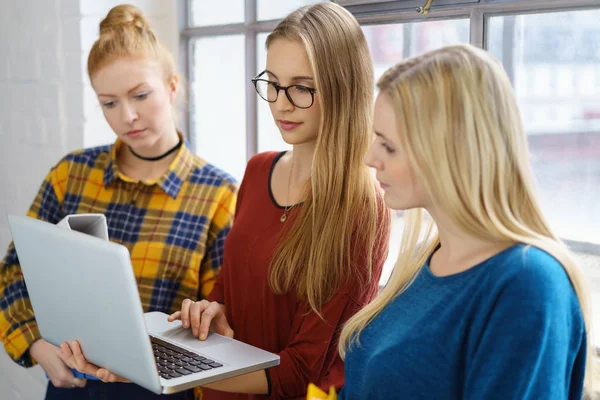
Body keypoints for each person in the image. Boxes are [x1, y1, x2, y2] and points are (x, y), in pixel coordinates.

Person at [61, 3, 391, 400]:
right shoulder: (257, 171)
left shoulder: (361, 207)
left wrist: (153, 369)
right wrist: (211, 312)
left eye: (302, 87)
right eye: (271, 81)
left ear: (343, 88)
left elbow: (301, 372)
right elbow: (228, 293)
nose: (280, 103)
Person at [332, 44, 598, 399]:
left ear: (449, 153)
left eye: (388, 146)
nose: (370, 158)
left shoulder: (527, 285)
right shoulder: (417, 264)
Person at [0, 4, 237, 400]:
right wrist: (37, 347)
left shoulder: (218, 194)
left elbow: (223, 319)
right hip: (72, 384)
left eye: (140, 95)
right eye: (109, 102)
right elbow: (13, 273)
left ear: (173, 86)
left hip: (160, 390)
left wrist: (210, 317)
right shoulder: (70, 174)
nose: (128, 116)